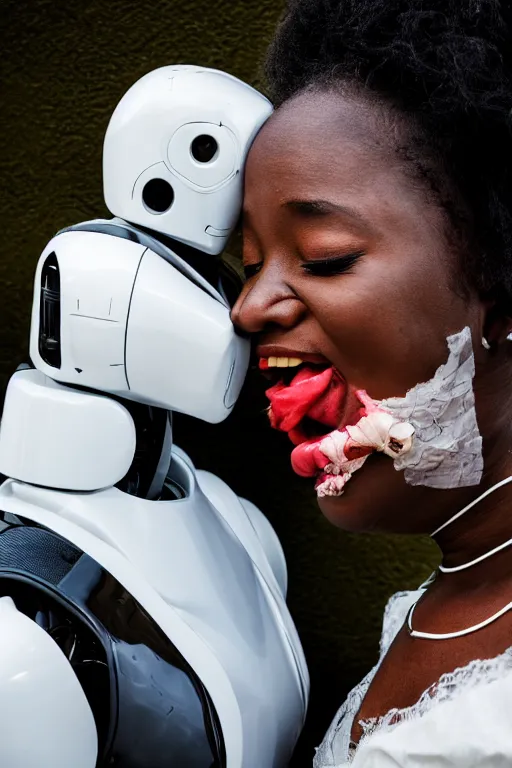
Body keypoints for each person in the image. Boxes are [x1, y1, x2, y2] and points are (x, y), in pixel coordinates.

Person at [230, 0, 512, 764]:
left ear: (502, 298)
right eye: (252, 264)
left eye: (322, 257)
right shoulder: (433, 607)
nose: (248, 307)